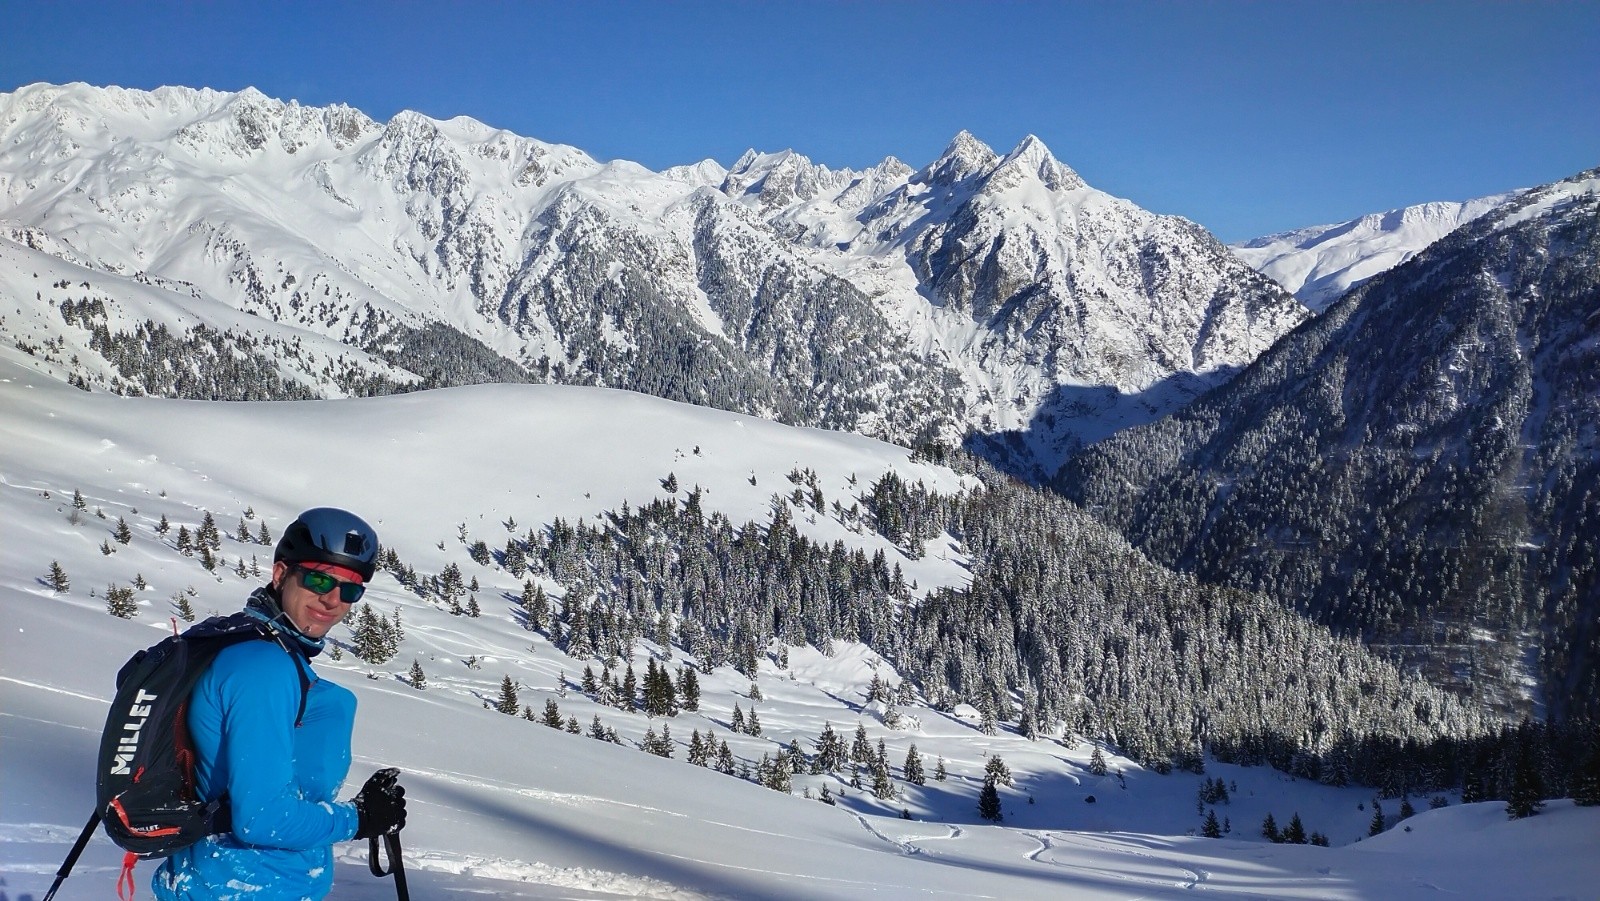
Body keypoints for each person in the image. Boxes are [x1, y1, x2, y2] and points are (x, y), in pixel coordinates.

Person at [152, 507, 406, 901]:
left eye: (350, 589)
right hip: (241, 888)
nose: (333, 599)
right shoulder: (263, 665)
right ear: (280, 574)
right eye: (319, 578)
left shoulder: (264, 654)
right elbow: (263, 819)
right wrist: (360, 818)